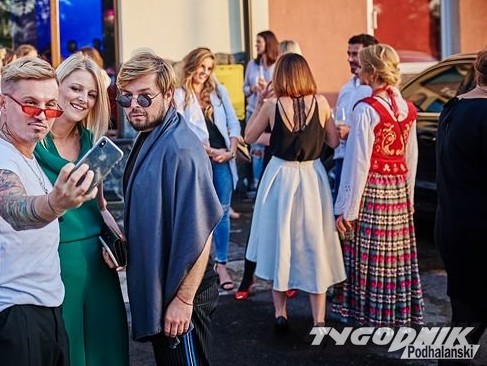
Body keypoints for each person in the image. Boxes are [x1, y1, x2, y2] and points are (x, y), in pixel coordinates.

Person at [0, 53, 129, 365]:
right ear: (2, 104)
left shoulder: (30, 150)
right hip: (11, 310)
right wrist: (55, 204)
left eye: (49, 106)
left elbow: (97, 205)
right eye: (30, 104)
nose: (41, 114)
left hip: (49, 300)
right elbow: (14, 205)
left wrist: (117, 241)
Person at [117, 51, 222, 366]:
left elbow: (204, 232)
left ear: (168, 96)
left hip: (184, 291)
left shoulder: (181, 150)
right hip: (164, 284)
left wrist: (184, 300)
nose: (134, 105)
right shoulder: (151, 136)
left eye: (144, 97)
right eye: (126, 98)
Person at [244, 53, 344, 333]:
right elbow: (333, 141)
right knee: (315, 243)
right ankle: (319, 319)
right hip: (312, 176)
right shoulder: (321, 103)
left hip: (281, 176)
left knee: (281, 240)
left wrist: (260, 104)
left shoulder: (272, 106)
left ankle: (281, 314)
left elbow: (249, 137)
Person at [333, 44, 422, 327]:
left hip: (373, 188)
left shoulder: (365, 110)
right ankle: (396, 313)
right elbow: (411, 158)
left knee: (371, 255)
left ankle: (370, 314)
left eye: (361, 66)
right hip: (397, 189)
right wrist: (409, 199)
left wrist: (348, 209)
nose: (357, 70)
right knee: (395, 256)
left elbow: (357, 163)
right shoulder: (407, 108)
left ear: (372, 73)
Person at [174, 48, 241, 292]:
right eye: (201, 66)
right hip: (199, 161)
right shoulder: (179, 94)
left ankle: (221, 264)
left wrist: (231, 151)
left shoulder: (219, 91)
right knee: (197, 213)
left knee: (222, 212)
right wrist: (212, 152)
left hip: (223, 159)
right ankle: (199, 266)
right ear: (192, 65)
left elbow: (233, 122)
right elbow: (181, 131)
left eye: (209, 68)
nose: (205, 72)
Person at [436, 49, 487, 362]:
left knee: (465, 311)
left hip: (453, 223)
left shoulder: (452, 107)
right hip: (480, 228)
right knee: (471, 318)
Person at [330, 34, 379, 199]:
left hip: (362, 162)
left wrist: (350, 133)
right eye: (348, 53)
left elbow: (379, 128)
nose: (349, 59)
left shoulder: (374, 90)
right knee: (340, 209)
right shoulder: (346, 88)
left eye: (355, 54)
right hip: (341, 158)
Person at [243, 31, 279, 188]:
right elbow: (244, 89)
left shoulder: (277, 65)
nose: (256, 45)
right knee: (255, 148)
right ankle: (257, 183)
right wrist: (252, 88)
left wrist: (269, 88)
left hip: (271, 111)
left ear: (268, 43)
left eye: (259, 42)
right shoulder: (252, 64)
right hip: (254, 110)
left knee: (270, 145)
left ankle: (268, 182)